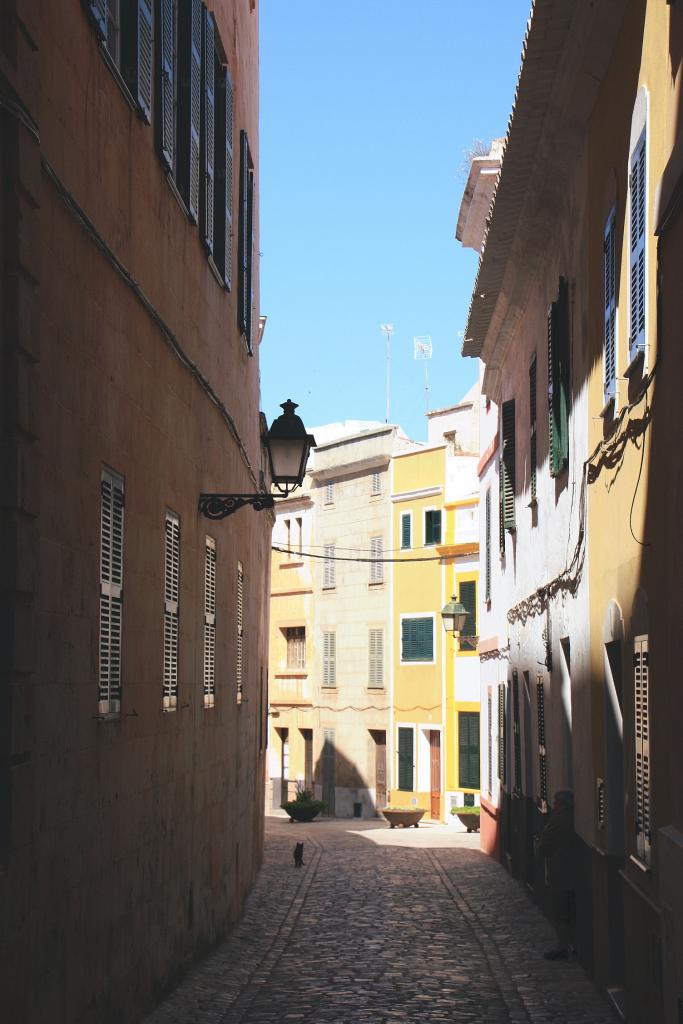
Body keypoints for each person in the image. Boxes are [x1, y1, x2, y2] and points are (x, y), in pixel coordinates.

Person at [538, 789, 577, 960]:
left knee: (560, 912)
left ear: (560, 805)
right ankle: (570, 945)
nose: (553, 806)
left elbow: (544, 844)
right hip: (572, 873)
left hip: (560, 872)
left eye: (555, 803)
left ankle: (563, 947)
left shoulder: (558, 820)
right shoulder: (574, 819)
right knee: (569, 911)